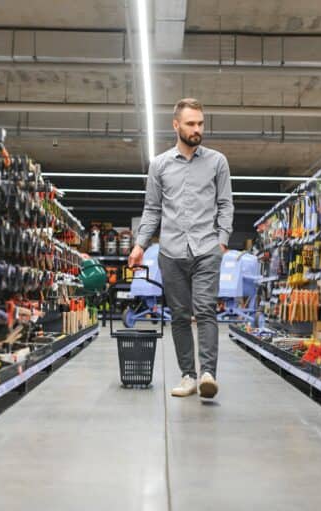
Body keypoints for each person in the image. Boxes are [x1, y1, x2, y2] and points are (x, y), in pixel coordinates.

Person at [128, 98, 234, 399]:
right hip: (171, 251)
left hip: (206, 248)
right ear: (176, 125)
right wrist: (139, 246)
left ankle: (207, 374)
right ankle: (187, 375)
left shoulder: (217, 162)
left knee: (205, 310)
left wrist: (222, 239)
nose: (197, 129)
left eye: (200, 123)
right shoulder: (159, 165)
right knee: (179, 314)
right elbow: (152, 210)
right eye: (191, 123)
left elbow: (226, 204)